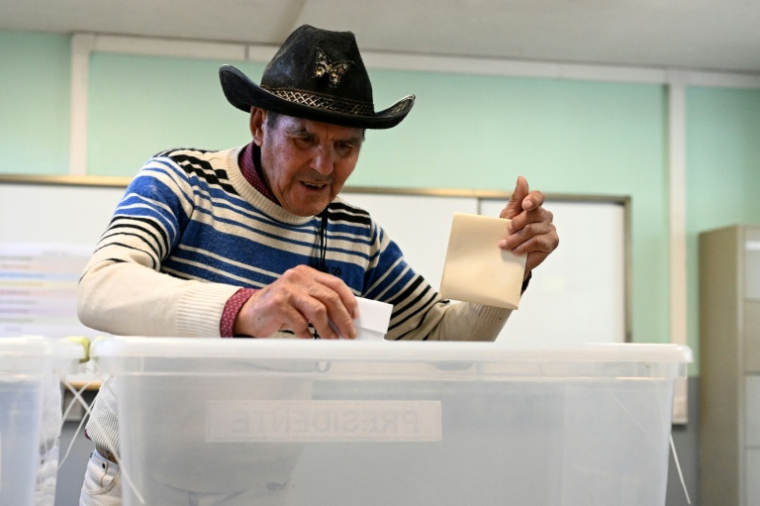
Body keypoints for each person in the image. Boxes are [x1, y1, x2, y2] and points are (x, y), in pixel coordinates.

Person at [77, 24, 558, 506]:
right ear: (259, 123)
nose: (324, 167)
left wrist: (508, 264)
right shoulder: (182, 179)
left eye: (345, 147)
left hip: (263, 490)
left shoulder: (357, 234)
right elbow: (101, 288)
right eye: (304, 139)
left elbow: (444, 345)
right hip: (137, 480)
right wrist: (247, 308)